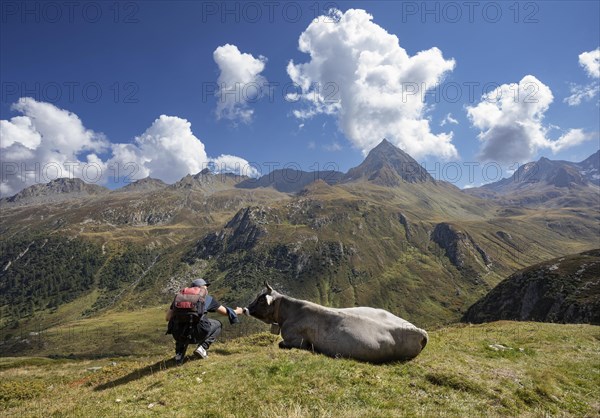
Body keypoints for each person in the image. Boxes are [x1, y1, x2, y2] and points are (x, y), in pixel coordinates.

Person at [166, 278, 244, 363]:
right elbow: (225, 312)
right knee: (218, 324)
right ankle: (202, 348)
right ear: (202, 288)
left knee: (180, 323)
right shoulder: (207, 298)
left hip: (179, 334)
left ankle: (179, 354)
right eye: (206, 287)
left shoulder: (179, 298)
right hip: (199, 333)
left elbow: (168, 318)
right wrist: (237, 311)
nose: (207, 289)